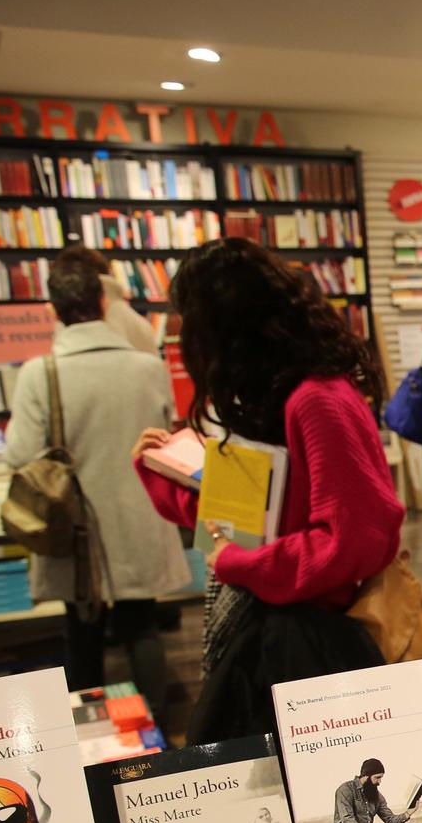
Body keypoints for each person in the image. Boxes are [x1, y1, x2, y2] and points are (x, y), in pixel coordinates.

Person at [133, 238, 403, 743]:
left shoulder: (317, 400)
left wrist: (240, 562)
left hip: (311, 646)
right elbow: (237, 520)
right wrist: (160, 468)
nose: (182, 337)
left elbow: (353, 542)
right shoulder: (264, 397)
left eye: (187, 320)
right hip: (270, 628)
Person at [5, 246, 188, 714]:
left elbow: (21, 454)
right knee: (141, 626)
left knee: (81, 632)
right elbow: (163, 437)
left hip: (74, 525)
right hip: (139, 515)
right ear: (103, 302)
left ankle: (90, 736)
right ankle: (160, 734)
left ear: (53, 310)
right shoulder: (147, 367)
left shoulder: (39, 374)